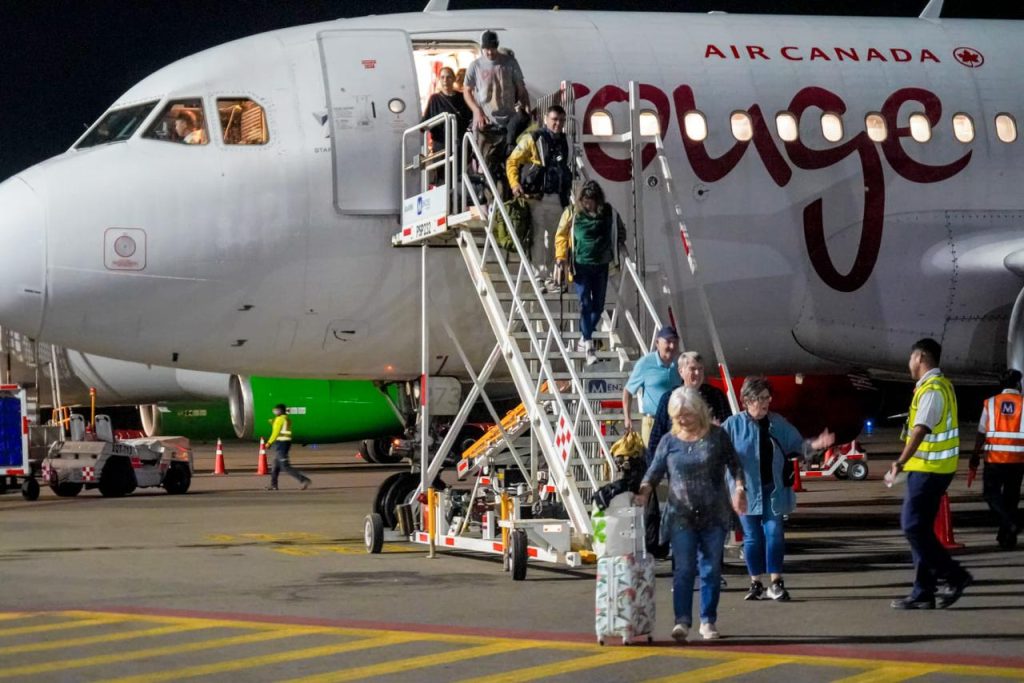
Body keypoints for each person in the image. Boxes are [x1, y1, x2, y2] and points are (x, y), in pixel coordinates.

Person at [635, 388, 746, 642]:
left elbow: (735, 465)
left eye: (687, 414)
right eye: (678, 416)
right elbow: (653, 472)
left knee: (710, 569)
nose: (683, 420)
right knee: (684, 569)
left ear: (699, 410)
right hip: (680, 515)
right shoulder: (669, 441)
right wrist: (643, 493)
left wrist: (739, 489)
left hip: (713, 514)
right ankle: (682, 621)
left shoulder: (717, 436)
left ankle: (708, 620)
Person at [722, 376, 834, 602]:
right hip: (744, 492)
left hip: (773, 490)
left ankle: (775, 583)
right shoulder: (732, 425)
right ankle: (755, 583)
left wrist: (816, 444)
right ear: (747, 400)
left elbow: (798, 445)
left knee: (774, 533)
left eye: (767, 398)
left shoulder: (777, 423)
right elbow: (719, 454)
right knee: (752, 538)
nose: (766, 402)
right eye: (761, 398)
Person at [889, 338, 972, 609]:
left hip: (929, 471)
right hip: (932, 469)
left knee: (912, 526)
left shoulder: (933, 389)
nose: (908, 363)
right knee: (921, 529)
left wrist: (900, 462)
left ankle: (954, 575)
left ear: (921, 357)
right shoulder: (937, 386)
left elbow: (921, 429)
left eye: (911, 357)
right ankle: (923, 592)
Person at [553, 180, 624, 365]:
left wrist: (619, 245)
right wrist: (560, 257)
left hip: (601, 265)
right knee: (585, 303)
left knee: (598, 307)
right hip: (580, 266)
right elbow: (561, 235)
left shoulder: (608, 212)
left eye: (591, 201)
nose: (587, 204)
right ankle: (588, 345)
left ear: (597, 199)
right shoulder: (572, 212)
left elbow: (620, 230)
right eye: (584, 200)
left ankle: (583, 338)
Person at [507, 105, 572, 284]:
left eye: (561, 120)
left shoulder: (566, 141)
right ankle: (538, 276)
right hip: (536, 196)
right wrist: (515, 184)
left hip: (558, 197)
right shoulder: (532, 138)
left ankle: (551, 277)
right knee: (538, 235)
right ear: (545, 119)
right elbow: (512, 161)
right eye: (554, 119)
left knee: (555, 238)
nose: (558, 124)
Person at [463, 30, 529, 193]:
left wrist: (524, 106)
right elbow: (467, 91)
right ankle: (488, 197)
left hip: (508, 121)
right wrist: (477, 111)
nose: (489, 52)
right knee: (487, 164)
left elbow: (521, 87)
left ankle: (508, 196)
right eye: (486, 49)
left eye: (492, 48)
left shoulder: (509, 63)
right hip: (487, 123)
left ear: (497, 47)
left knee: (511, 162)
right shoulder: (475, 66)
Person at [970, 369, 1024, 550]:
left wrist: (975, 455)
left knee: (991, 495)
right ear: (1018, 384)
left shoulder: (991, 403)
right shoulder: (1023, 403)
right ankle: (1008, 537)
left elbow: (981, 432)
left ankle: (1009, 524)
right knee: (1011, 499)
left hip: (994, 460)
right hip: (1018, 460)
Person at [623, 326, 682, 447]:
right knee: (652, 457)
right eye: (668, 342)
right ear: (657, 343)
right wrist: (627, 418)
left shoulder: (680, 364)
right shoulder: (645, 363)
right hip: (652, 422)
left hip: (676, 422)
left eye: (675, 342)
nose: (672, 346)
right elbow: (627, 391)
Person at [422, 66, 472, 159]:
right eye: (442, 77)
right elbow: (425, 121)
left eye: (448, 77)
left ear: (454, 79)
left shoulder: (462, 97)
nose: (445, 80)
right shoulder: (434, 99)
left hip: (459, 144)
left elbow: (469, 117)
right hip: (441, 146)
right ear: (439, 79)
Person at [265, 403, 311, 491]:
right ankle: (273, 485)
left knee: (285, 466)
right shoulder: (286, 419)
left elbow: (276, 432)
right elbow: (282, 427)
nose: (275, 411)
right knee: (275, 465)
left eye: (276, 410)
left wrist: (269, 443)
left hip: (282, 443)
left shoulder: (279, 419)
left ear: (281, 411)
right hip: (284, 443)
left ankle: (304, 480)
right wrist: (273, 422)